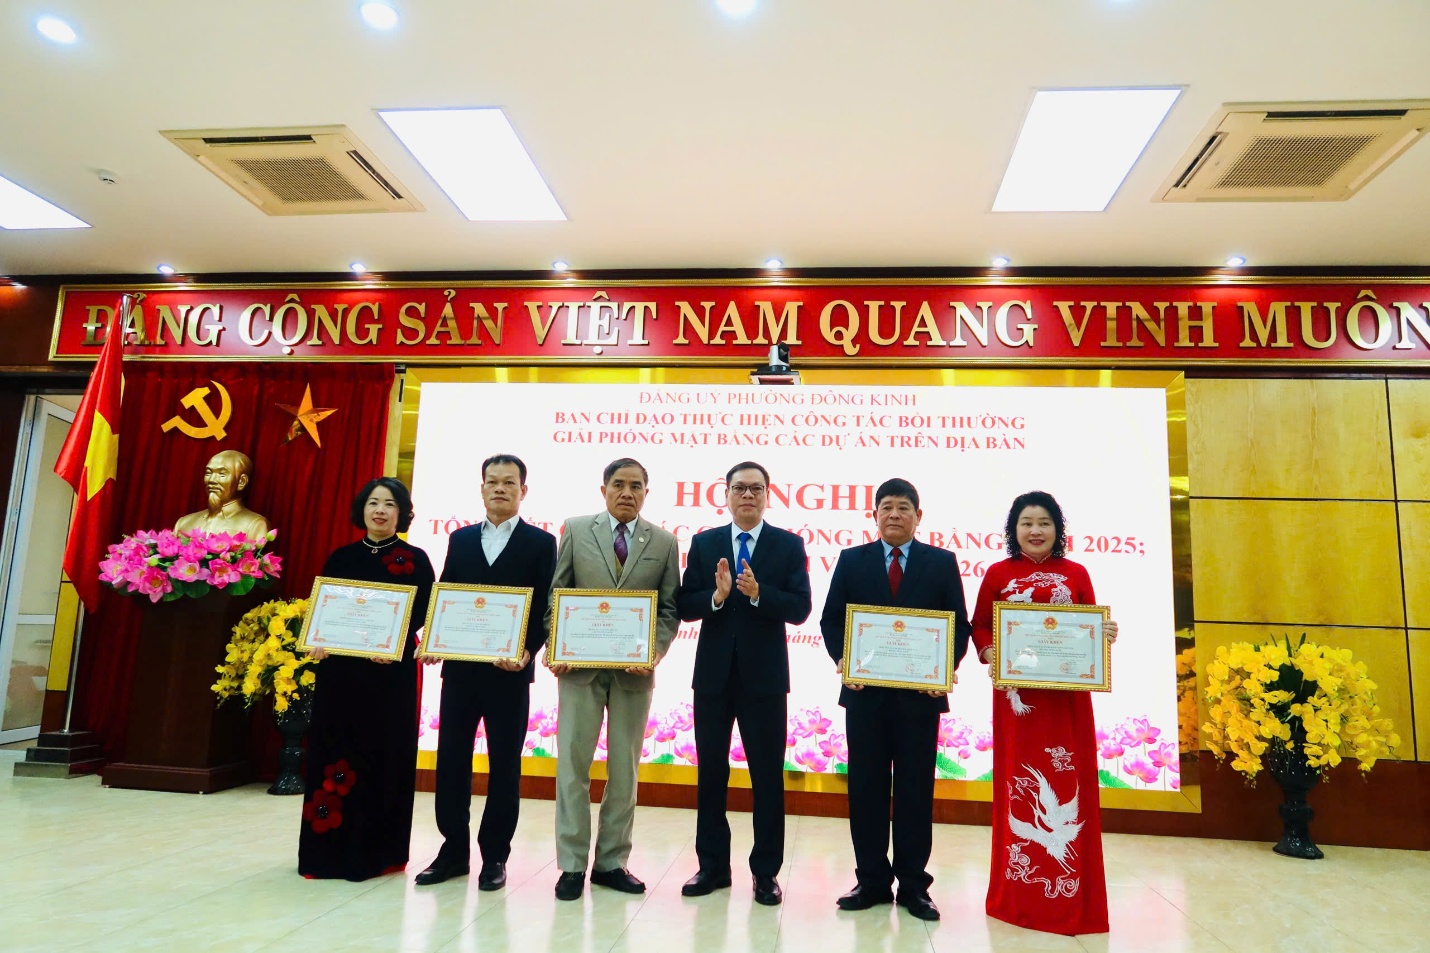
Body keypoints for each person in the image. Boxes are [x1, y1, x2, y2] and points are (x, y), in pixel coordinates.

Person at [820, 477, 969, 922]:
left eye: (903, 507)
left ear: (918, 516)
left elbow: (958, 625)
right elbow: (831, 620)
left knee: (914, 792)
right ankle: (870, 881)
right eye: (886, 507)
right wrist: (844, 659)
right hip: (865, 697)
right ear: (875, 515)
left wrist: (943, 670)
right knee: (865, 790)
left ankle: (913, 886)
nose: (894, 515)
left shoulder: (941, 562)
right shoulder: (852, 560)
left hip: (919, 701)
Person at [971, 490, 1118, 936]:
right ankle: (1018, 894)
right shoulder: (998, 574)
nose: (1035, 531)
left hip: (1066, 700)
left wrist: (1104, 633)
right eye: (1027, 523)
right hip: (1018, 702)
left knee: (1069, 783)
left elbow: (1089, 625)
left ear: (1058, 529)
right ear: (1013, 530)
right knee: (1020, 786)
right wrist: (990, 652)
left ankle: (1071, 895)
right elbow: (980, 625)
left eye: (1044, 523)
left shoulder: (1076, 573)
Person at [414, 454, 557, 889]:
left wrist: (528, 651)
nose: (499, 488)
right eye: (492, 481)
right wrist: (434, 640)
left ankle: (495, 856)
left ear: (523, 491)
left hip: (509, 673)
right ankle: (453, 851)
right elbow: (447, 594)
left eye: (509, 482)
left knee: (505, 767)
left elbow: (545, 605)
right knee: (451, 761)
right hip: (460, 672)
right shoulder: (459, 539)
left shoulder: (541, 543)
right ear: (481, 489)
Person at [545, 457, 681, 901]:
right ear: (603, 489)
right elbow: (557, 593)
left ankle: (610, 862)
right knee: (572, 768)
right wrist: (556, 643)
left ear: (646, 493)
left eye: (636, 486)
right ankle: (571, 865)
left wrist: (655, 651)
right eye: (618, 484)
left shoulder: (664, 542)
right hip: (578, 672)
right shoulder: (575, 529)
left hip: (633, 676)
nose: (627, 492)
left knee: (624, 772)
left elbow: (668, 608)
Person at [677, 461, 812, 906]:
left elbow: (800, 608)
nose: (748, 496)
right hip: (713, 679)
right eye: (740, 488)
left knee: (767, 776)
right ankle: (712, 867)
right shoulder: (705, 543)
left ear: (768, 495)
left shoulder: (788, 545)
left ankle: (766, 872)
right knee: (711, 774)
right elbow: (685, 604)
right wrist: (716, 598)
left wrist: (759, 594)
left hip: (765, 680)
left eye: (756, 489)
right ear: (727, 494)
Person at [298, 477, 434, 881]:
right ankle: (326, 856)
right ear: (362, 509)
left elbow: (425, 612)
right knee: (335, 753)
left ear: (401, 512)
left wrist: (395, 638)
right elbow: (324, 610)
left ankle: (377, 855)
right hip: (340, 675)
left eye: (389, 504)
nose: (380, 510)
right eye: (373, 502)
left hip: (389, 675)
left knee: (382, 757)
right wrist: (318, 640)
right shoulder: (340, 558)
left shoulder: (416, 559)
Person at [174, 449, 269, 539]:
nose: (212, 480)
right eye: (208, 473)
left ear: (241, 481)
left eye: (222, 474)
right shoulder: (184, 523)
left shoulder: (255, 525)